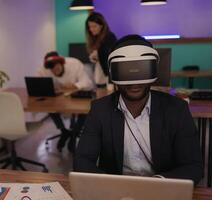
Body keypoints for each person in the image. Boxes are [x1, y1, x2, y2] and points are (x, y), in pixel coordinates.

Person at [74, 35, 203, 185]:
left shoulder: (176, 109)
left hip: (161, 192)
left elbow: (193, 166)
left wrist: (156, 184)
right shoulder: (100, 110)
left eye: (141, 71)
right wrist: (114, 186)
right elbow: (81, 161)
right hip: (116, 193)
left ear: (152, 69)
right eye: (126, 72)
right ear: (113, 72)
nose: (134, 82)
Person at [38, 51, 93, 152]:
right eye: (51, 69)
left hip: (78, 94)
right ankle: (64, 131)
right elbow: (39, 82)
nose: (54, 70)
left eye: (56, 67)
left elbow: (88, 83)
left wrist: (74, 85)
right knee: (49, 107)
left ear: (61, 63)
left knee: (85, 110)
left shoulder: (75, 64)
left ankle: (74, 134)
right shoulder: (44, 69)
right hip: (61, 96)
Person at [85, 12, 117, 88]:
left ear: (102, 25)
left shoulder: (109, 37)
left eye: (94, 26)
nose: (91, 29)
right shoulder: (96, 38)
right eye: (89, 27)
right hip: (101, 75)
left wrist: (97, 55)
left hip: (109, 76)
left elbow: (110, 59)